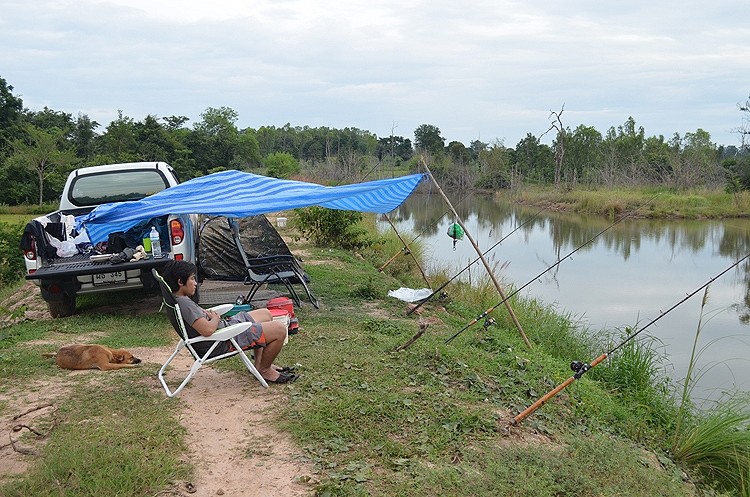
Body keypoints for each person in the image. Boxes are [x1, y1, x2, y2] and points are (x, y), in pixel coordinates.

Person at [160, 260, 298, 384]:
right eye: (192, 279)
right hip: (223, 340)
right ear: (180, 282)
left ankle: (259, 364)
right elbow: (207, 331)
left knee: (265, 314)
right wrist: (215, 318)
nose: (195, 283)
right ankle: (265, 369)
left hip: (225, 330)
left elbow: (199, 318)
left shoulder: (179, 299)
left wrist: (209, 314)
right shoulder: (185, 304)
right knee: (279, 329)